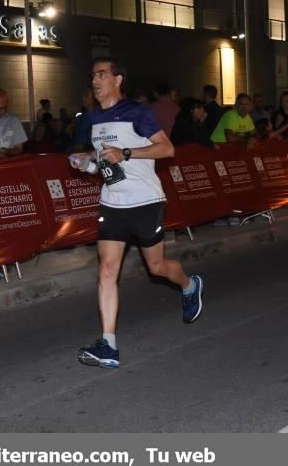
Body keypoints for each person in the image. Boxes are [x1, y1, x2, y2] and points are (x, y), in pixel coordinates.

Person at [69, 57, 204, 369]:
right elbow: (103, 163)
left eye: (101, 74)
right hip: (112, 202)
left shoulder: (137, 113)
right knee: (106, 269)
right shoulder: (92, 119)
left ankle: (189, 285)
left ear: (118, 80)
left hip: (145, 201)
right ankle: (109, 345)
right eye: (92, 75)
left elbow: (167, 149)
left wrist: (127, 152)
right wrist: (85, 163)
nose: (95, 80)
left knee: (156, 267)